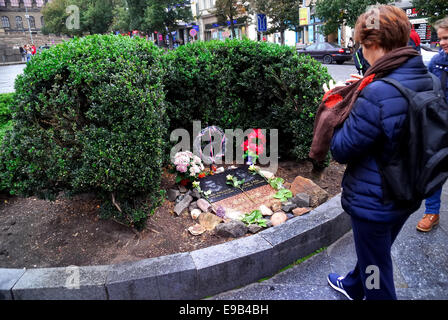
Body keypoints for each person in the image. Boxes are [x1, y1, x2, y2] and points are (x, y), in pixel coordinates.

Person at [310, 5, 434, 300]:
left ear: (375, 45)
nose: (361, 52)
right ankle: (353, 286)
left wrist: (335, 106)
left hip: (375, 200)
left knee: (376, 272)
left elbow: (341, 149)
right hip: (409, 190)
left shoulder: (376, 92)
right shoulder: (426, 78)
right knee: (375, 251)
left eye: (363, 45)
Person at [416, 17, 448, 232]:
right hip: (441, 126)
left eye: (446, 37)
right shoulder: (437, 61)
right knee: (436, 168)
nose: (442, 42)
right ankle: (432, 212)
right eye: (440, 38)